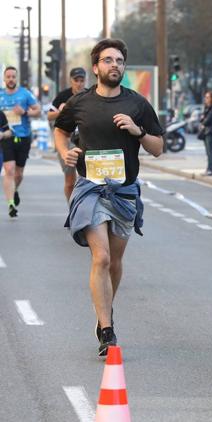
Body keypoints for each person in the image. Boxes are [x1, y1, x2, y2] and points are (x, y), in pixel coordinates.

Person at [53, 39, 164, 357]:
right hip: (90, 188)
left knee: (114, 262)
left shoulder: (138, 104)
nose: (114, 65)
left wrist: (137, 131)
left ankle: (105, 311)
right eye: (107, 60)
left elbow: (157, 148)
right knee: (100, 257)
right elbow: (61, 131)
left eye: (119, 60)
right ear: (96, 67)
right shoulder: (80, 103)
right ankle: (106, 329)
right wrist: (66, 152)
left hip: (124, 192)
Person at [0, 66, 41, 217]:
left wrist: (24, 112)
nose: (10, 79)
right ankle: (11, 204)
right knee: (9, 170)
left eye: (13, 77)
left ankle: (15, 189)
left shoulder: (25, 94)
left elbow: (38, 110)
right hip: (6, 137)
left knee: (19, 173)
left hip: (23, 136)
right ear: (4, 79)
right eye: (8, 76)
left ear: (16, 78)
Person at [48, 67, 87, 201]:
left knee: (89, 180)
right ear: (71, 81)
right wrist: (62, 111)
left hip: (86, 139)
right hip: (67, 139)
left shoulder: (90, 95)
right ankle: (72, 210)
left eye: (82, 80)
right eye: (76, 80)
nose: (79, 83)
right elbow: (49, 116)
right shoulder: (63, 96)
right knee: (70, 181)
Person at [200, 91, 212, 175]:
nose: (206, 99)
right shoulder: (206, 107)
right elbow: (202, 118)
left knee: (210, 151)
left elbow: (209, 118)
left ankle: (210, 170)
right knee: (208, 152)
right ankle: (208, 169)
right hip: (206, 131)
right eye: (205, 97)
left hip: (211, 131)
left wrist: (204, 122)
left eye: (208, 97)